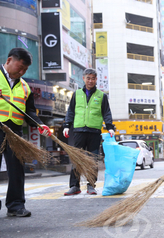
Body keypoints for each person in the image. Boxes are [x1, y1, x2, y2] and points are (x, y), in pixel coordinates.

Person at [0, 48, 51, 217]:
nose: (21, 72)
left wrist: (40, 125)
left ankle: (16, 205)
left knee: (16, 167)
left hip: (14, 131)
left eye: (25, 70)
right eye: (19, 67)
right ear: (9, 61)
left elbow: (29, 112)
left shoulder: (25, 87)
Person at [63, 68, 114, 196]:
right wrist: (66, 125)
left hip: (94, 132)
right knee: (77, 159)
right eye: (88, 78)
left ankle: (91, 186)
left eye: (93, 78)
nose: (90, 81)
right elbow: (71, 111)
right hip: (79, 130)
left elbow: (106, 112)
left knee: (92, 160)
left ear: (96, 79)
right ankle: (74, 186)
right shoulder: (77, 94)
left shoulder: (101, 96)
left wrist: (110, 127)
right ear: (83, 79)